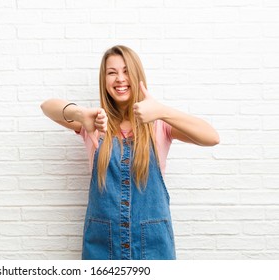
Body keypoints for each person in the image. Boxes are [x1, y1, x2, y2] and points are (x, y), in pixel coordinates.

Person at [40, 45, 219, 260]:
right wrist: (79, 113)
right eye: (112, 73)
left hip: (153, 248)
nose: (120, 79)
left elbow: (211, 137)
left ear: (136, 75)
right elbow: (47, 106)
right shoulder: (95, 123)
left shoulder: (159, 125)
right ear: (104, 80)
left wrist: (163, 111)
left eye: (126, 71)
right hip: (102, 247)